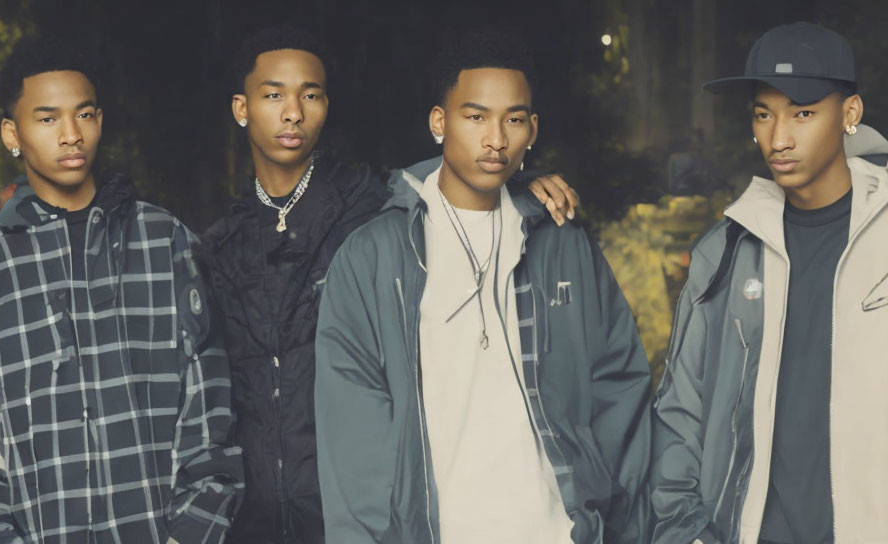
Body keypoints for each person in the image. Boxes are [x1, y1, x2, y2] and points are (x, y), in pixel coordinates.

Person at [204, 25, 580, 543]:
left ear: (326, 105)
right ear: (242, 109)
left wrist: (518, 181)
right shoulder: (218, 245)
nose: (293, 112)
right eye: (273, 96)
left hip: (357, 507)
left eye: (309, 95)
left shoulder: (370, 208)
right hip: (255, 519)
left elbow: (447, 187)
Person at [314, 27, 651, 543]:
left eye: (513, 119)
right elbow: (353, 439)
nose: (496, 139)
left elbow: (619, 390)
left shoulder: (563, 246)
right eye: (475, 117)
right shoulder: (372, 257)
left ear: (532, 128)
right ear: (439, 121)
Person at [0, 37, 243, 543]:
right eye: (47, 118)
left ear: (100, 120)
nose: (70, 135)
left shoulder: (165, 242)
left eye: (84, 114)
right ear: (12, 134)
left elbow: (209, 416)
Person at [651, 22, 888, 543]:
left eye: (802, 113)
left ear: (850, 114)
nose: (778, 138)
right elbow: (679, 416)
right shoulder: (727, 252)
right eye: (764, 114)